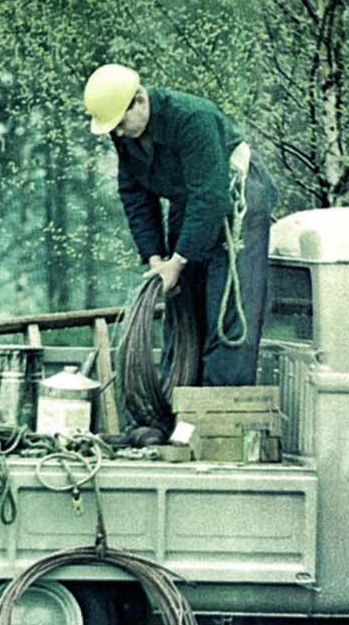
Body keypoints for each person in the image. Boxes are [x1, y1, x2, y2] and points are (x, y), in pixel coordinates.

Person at [83, 63, 278, 387]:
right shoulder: (125, 134)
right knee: (182, 305)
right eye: (112, 128)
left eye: (120, 124)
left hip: (236, 197)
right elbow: (135, 194)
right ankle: (180, 399)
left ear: (140, 100)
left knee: (229, 307)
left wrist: (179, 260)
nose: (117, 134)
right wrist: (156, 257)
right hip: (191, 200)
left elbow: (210, 197)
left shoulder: (193, 118)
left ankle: (221, 404)